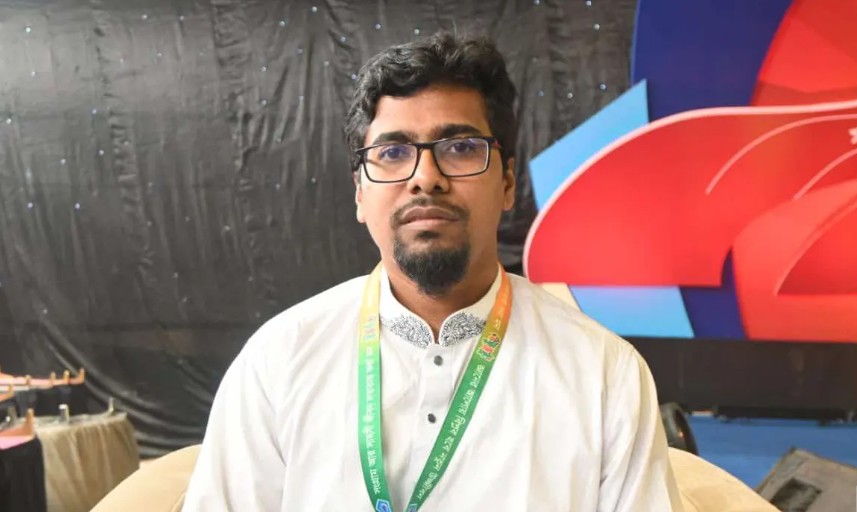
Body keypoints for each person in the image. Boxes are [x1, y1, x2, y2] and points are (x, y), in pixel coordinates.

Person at [183, 32, 683, 512]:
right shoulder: (279, 359)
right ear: (360, 192)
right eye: (392, 153)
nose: (426, 178)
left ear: (508, 183)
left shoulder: (603, 372)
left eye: (460, 148)